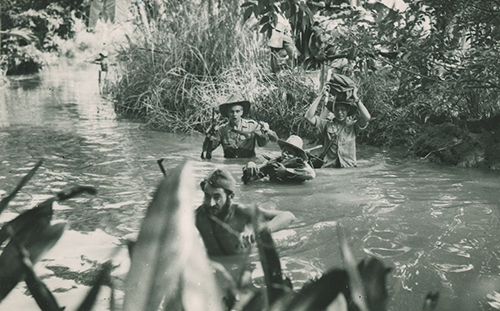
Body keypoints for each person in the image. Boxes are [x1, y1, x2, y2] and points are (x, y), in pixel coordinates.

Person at [195, 168, 296, 256]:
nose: (211, 203)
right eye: (207, 196)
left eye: (217, 197)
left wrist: (260, 231)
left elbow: (288, 216)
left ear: (230, 197)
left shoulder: (242, 212)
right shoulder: (198, 216)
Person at [304, 74, 371, 168]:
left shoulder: (353, 127)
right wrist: (321, 95)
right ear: (333, 110)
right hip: (329, 168)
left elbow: (367, 117)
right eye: (337, 109)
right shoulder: (326, 125)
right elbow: (308, 117)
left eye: (343, 109)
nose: (340, 113)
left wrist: (356, 98)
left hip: (349, 168)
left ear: (348, 111)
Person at [206, 100, 278, 158]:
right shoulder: (222, 130)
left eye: (237, 111)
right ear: (228, 113)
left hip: (248, 163)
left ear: (242, 112)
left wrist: (267, 131)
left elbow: (273, 140)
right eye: (231, 112)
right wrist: (209, 135)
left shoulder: (252, 126)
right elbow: (207, 150)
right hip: (229, 164)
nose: (234, 115)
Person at [242, 135, 316, 183]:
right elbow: (249, 181)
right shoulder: (274, 162)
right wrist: (250, 166)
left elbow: (311, 174)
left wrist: (285, 171)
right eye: (284, 151)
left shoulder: (300, 164)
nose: (285, 154)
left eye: (289, 152)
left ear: (297, 155)